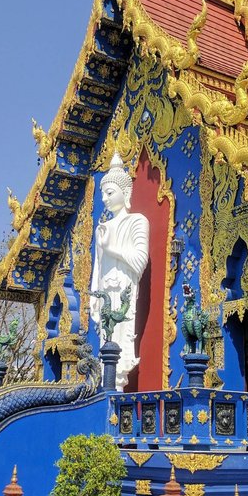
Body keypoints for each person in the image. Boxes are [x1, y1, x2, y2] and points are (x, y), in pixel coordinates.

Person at [90, 152, 150, 390]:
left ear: (125, 193)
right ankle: (107, 386)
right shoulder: (102, 228)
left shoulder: (138, 221)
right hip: (106, 292)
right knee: (106, 342)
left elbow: (139, 260)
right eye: (103, 193)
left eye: (110, 192)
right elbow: (97, 268)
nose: (104, 199)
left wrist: (111, 249)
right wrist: (94, 296)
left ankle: (117, 387)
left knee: (121, 345)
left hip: (124, 291)